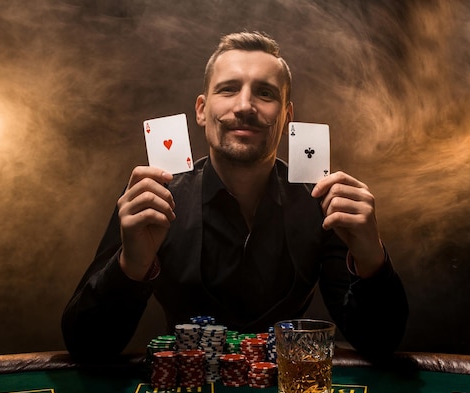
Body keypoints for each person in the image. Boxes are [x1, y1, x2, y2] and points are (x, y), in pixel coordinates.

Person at [61, 31, 408, 364]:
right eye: (228, 90)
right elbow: (87, 346)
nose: (244, 106)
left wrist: (371, 259)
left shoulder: (323, 203)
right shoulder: (152, 199)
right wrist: (131, 266)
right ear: (201, 110)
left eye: (265, 94)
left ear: (287, 117)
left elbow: (378, 343)